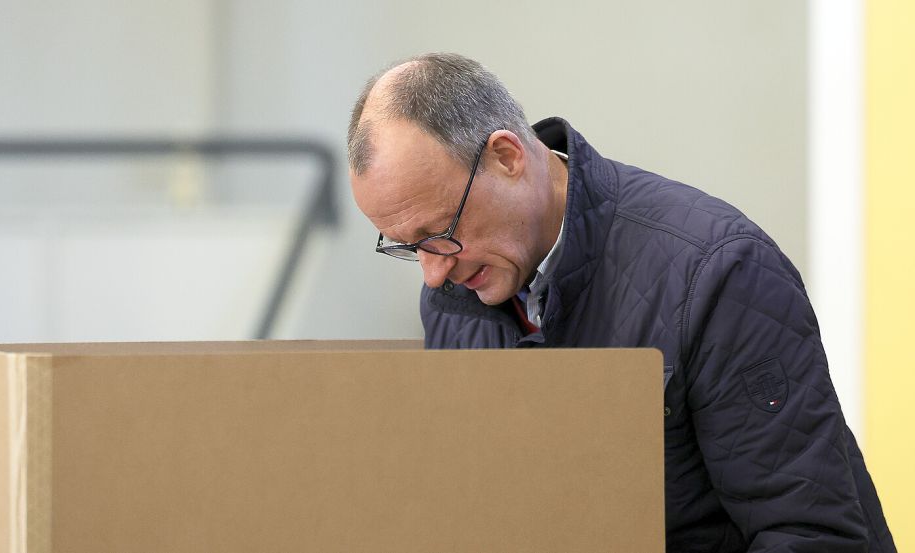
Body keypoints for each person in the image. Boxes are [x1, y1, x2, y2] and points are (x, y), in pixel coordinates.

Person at [347, 52, 895, 552]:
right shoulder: (452, 295)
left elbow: (811, 536)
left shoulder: (719, 272)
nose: (433, 271)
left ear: (507, 157)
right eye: (408, 246)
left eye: (441, 231)